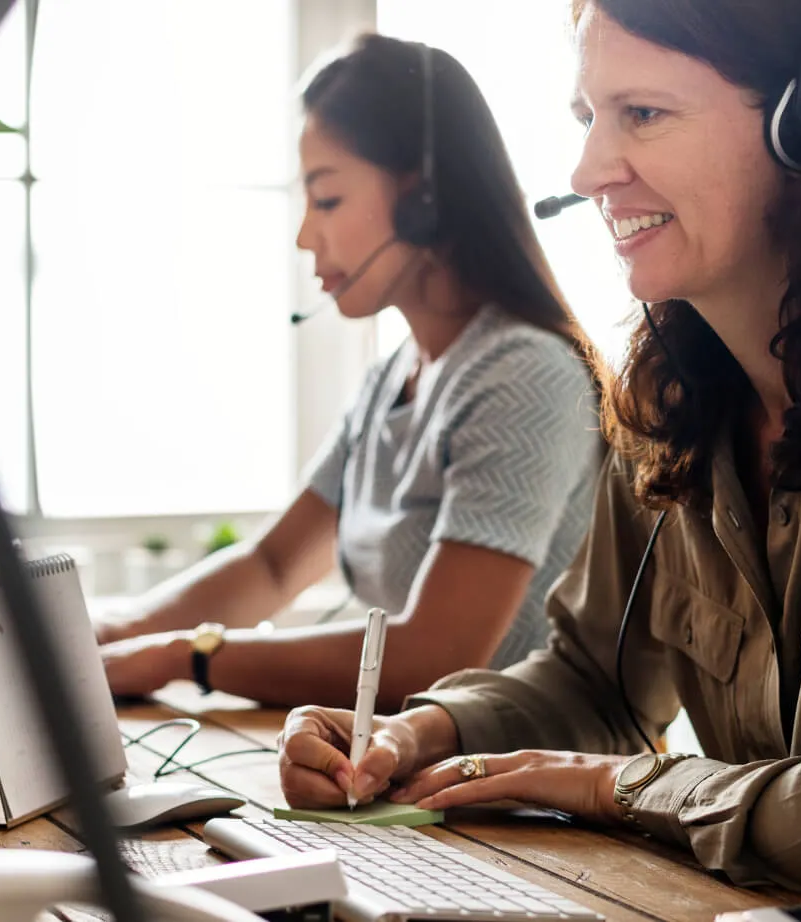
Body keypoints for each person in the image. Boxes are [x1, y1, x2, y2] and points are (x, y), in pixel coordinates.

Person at [277, 0, 801, 913]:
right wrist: (418, 735)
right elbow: (593, 680)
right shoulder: (679, 384)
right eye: (587, 118)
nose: (589, 169)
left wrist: (612, 786)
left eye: (643, 114)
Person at [95, 34, 606, 712]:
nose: (306, 236)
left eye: (328, 200)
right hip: (402, 774)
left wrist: (184, 656)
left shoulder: (524, 375)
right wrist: (115, 634)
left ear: (425, 200)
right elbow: (273, 566)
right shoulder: (392, 378)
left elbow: (430, 660)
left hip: (519, 797)